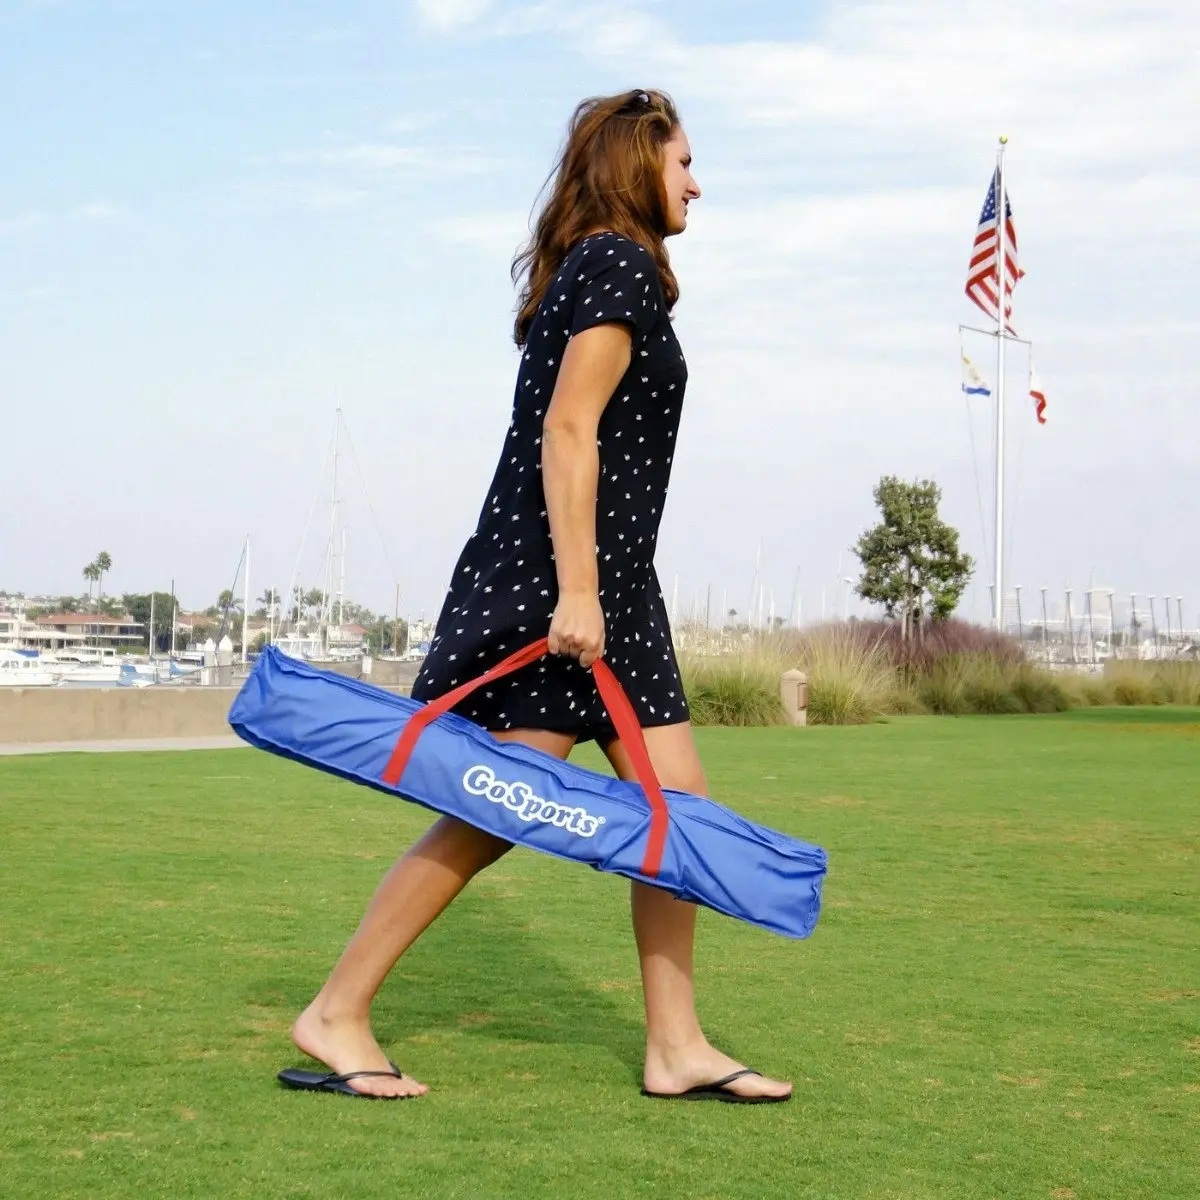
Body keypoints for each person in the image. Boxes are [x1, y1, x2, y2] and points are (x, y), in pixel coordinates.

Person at [283, 89, 792, 1104]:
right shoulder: (616, 263)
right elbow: (569, 430)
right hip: (568, 587)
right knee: (497, 809)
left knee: (672, 812)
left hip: (610, 588)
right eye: (685, 161)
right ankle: (337, 1010)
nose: (699, 182)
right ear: (636, 165)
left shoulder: (612, 266)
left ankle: (677, 1044)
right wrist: (577, 592)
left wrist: (602, 589)